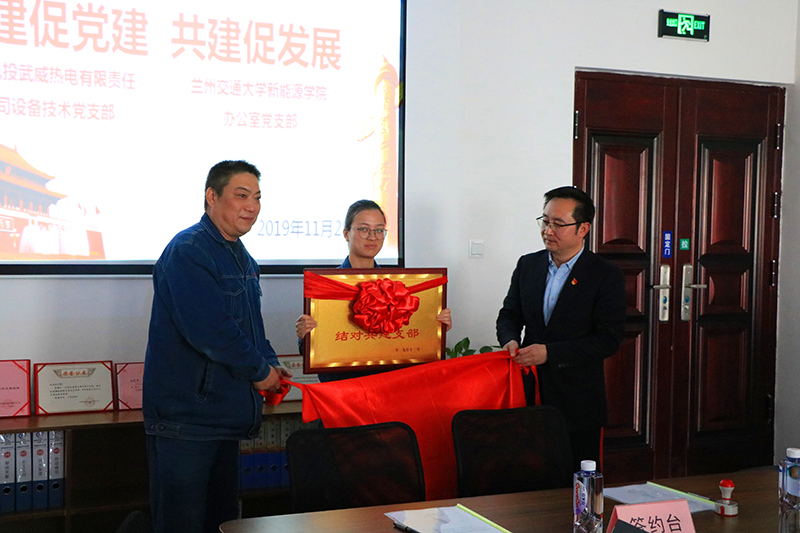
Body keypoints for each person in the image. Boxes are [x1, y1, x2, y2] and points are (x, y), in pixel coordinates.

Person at [142, 160, 291, 533]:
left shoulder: (241, 255)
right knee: (182, 523)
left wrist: (271, 363)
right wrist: (259, 371)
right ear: (212, 196)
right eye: (241, 195)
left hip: (224, 416)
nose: (252, 206)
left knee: (221, 522)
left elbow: (251, 327)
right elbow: (211, 331)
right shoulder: (189, 250)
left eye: (257, 197)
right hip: (187, 420)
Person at [495, 186, 625, 470]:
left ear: (583, 229)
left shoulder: (605, 275)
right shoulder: (528, 265)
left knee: (576, 479)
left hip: (577, 398)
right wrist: (509, 339)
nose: (548, 230)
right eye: (545, 221)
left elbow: (607, 339)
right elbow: (509, 315)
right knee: (529, 475)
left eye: (558, 223)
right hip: (529, 393)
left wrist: (550, 353)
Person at [295, 199, 452, 382]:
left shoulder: (398, 286)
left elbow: (410, 340)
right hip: (342, 384)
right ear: (346, 234)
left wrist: (435, 326)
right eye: (364, 229)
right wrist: (305, 335)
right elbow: (314, 350)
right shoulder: (328, 285)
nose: (372, 237)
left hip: (387, 384)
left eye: (379, 230)